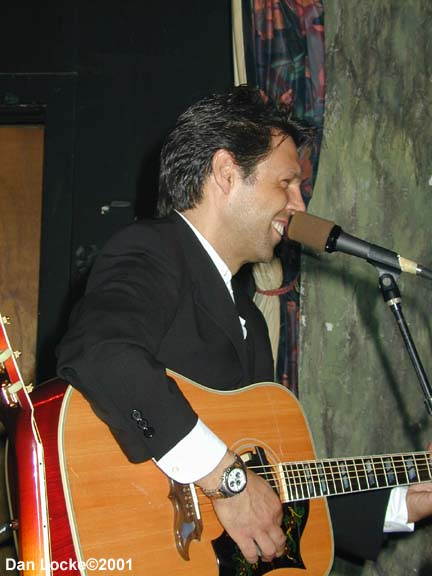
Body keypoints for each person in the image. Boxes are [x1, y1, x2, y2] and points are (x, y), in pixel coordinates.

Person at [56, 85, 432, 566]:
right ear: (226, 173)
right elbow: (100, 353)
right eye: (287, 183)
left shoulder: (250, 320)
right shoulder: (154, 250)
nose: (299, 203)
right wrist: (226, 477)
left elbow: (274, 491)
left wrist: (405, 502)